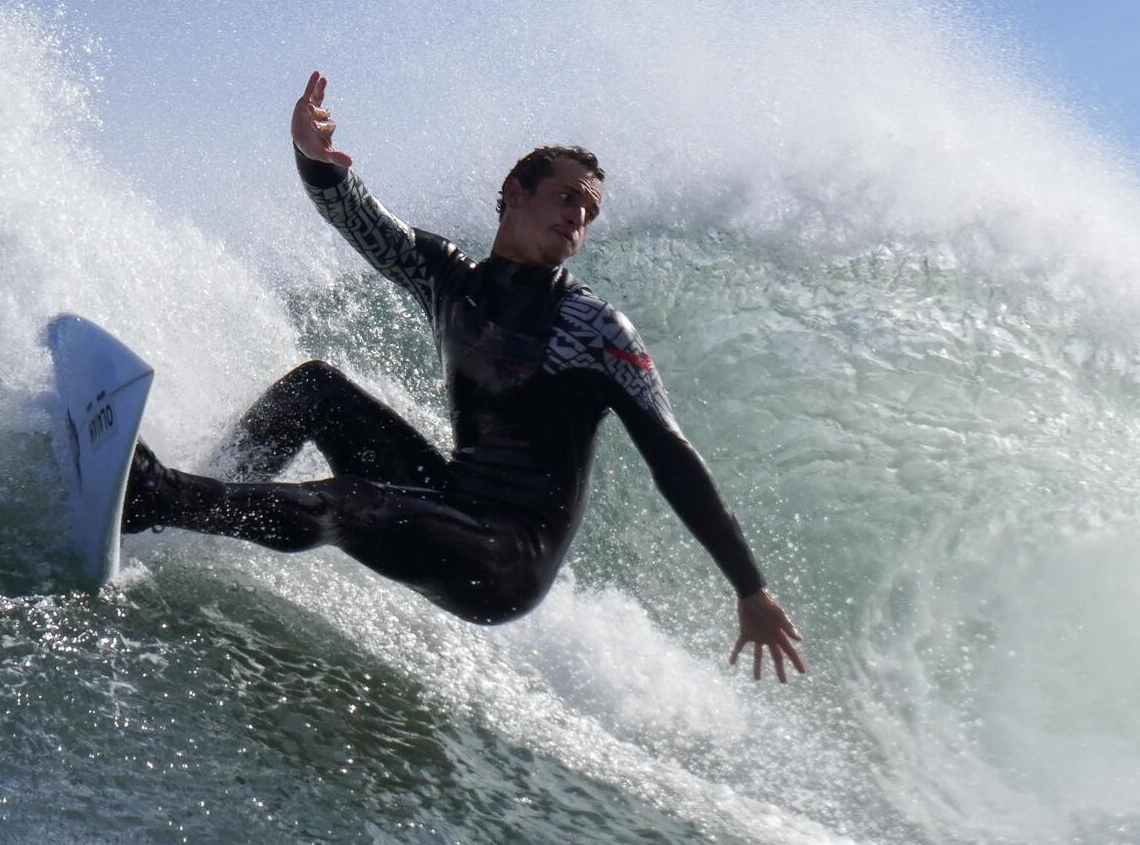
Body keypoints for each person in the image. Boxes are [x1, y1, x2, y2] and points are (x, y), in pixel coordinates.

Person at [122, 71, 807, 682]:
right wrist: (313, 157)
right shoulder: (451, 278)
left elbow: (672, 458)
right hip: (452, 500)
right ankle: (194, 507)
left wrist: (750, 588)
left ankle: (160, 498)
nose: (579, 215)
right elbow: (361, 219)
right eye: (567, 196)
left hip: (507, 561)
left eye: (590, 211)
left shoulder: (596, 330)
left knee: (350, 502)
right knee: (316, 389)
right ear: (514, 192)